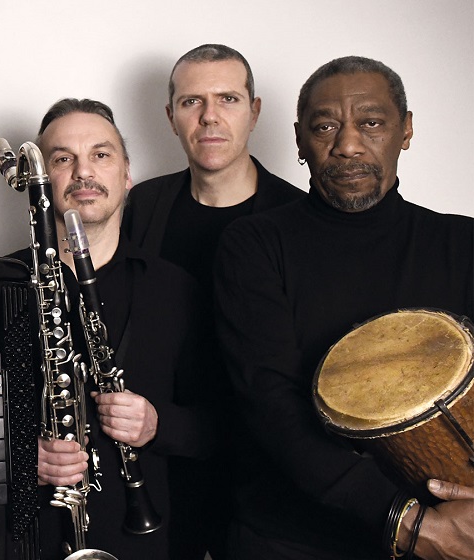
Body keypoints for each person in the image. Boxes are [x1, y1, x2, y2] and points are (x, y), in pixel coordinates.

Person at [214, 56, 474, 559]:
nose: (348, 145)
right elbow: (271, 404)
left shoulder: (463, 243)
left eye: (371, 122)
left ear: (406, 129)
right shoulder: (254, 244)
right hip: (291, 541)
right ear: (298, 140)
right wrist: (411, 525)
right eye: (325, 126)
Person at [123, 43, 304, 560]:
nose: (209, 116)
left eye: (227, 98)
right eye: (191, 102)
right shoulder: (142, 206)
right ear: (171, 117)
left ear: (255, 111)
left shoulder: (298, 217)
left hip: (265, 476)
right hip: (163, 466)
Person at [10, 98, 211, 559]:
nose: (83, 172)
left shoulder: (176, 288)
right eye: (63, 159)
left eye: (101, 155)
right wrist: (19, 460)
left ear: (127, 175)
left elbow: (222, 425)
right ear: (40, 183)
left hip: (146, 543)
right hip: (26, 543)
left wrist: (159, 424)